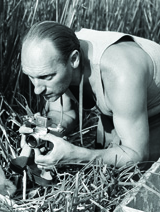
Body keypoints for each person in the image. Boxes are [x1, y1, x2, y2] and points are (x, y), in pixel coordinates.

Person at [19, 21, 160, 169]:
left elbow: (136, 156)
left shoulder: (121, 75)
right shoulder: (57, 54)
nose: (37, 89)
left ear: (74, 59)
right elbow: (64, 113)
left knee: (138, 178)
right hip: (124, 114)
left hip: (155, 114)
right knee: (106, 169)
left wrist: (76, 155)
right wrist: (44, 131)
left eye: (46, 77)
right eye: (30, 76)